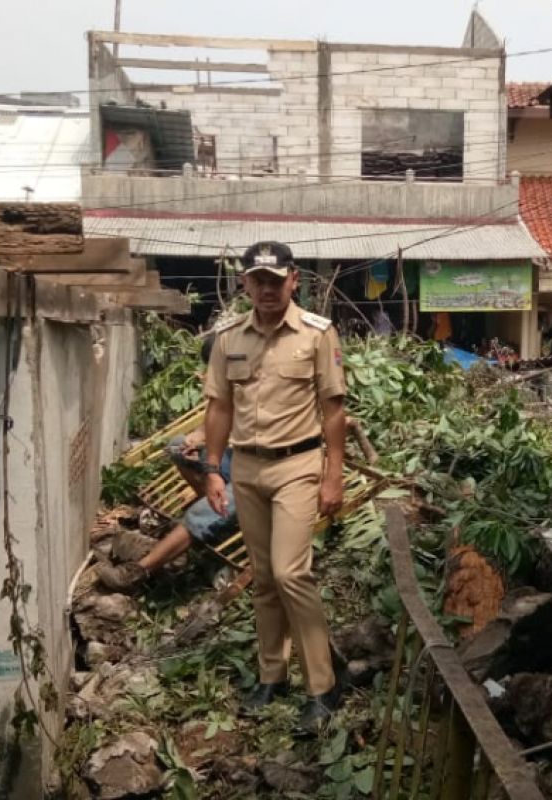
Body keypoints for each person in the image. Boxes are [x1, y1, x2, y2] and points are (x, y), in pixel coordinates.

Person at [203, 241, 347, 733]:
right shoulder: (228, 339)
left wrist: (334, 474)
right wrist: (210, 469)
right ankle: (272, 674)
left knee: (291, 574)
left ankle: (323, 687)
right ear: (245, 283)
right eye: (257, 279)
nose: (266, 288)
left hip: (298, 465)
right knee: (263, 577)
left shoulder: (316, 335)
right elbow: (219, 408)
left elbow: (334, 411)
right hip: (246, 467)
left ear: (293, 280)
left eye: (275, 279)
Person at [95, 429, 238, 591]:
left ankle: (134, 574)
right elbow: (224, 411)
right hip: (241, 460)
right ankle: (208, 522)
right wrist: (200, 434)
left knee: (197, 514)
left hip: (259, 480)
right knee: (177, 446)